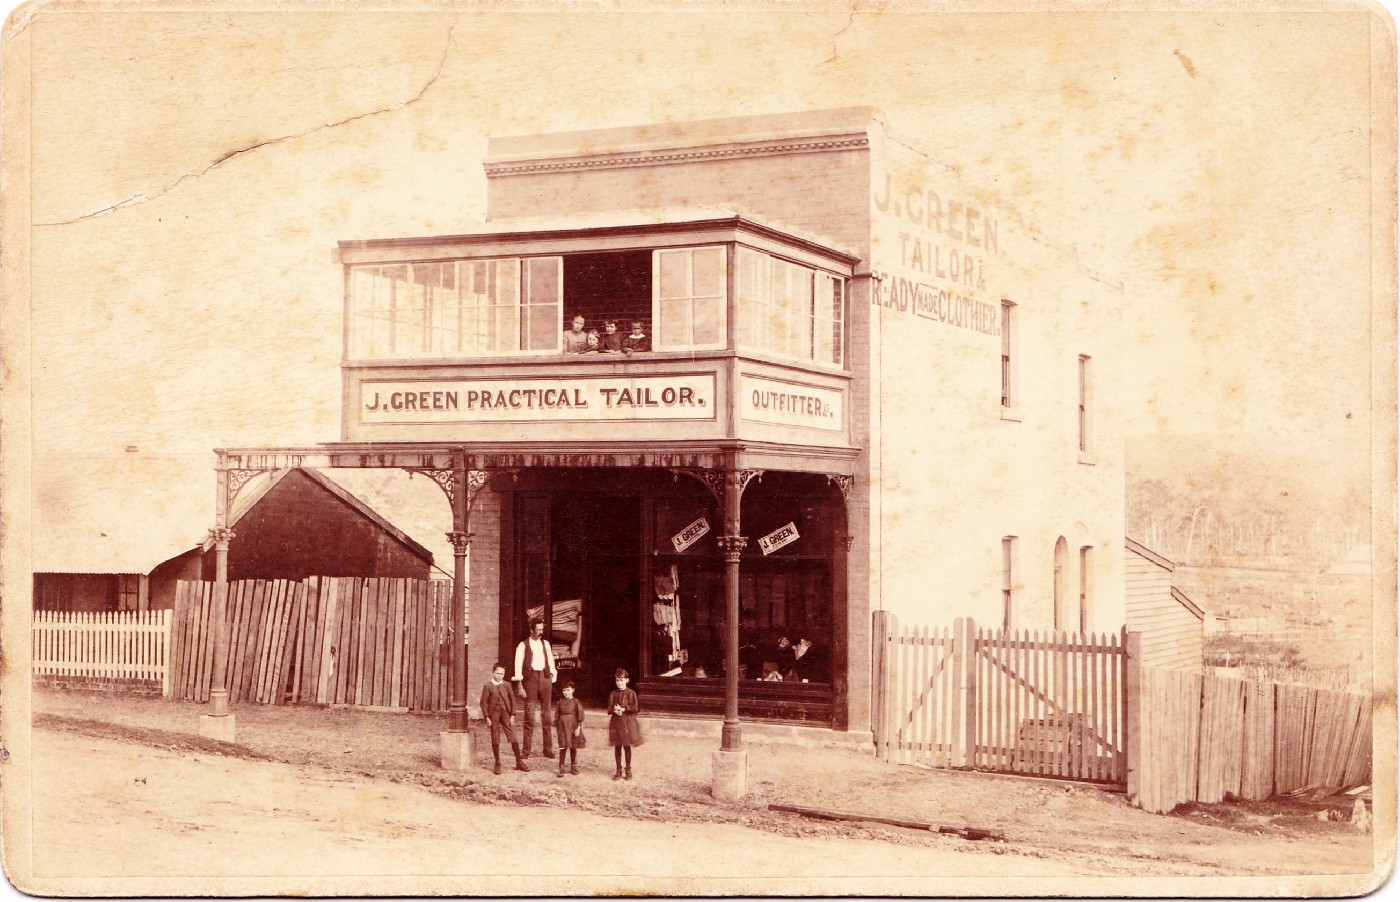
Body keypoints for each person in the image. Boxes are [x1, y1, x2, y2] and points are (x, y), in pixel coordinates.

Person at [512, 617, 558, 759]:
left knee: (547, 715)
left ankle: (547, 749)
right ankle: (526, 751)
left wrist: (551, 676)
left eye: (542, 629)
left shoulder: (546, 644)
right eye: (538, 630)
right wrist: (520, 685)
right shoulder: (523, 645)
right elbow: (518, 666)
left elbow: (550, 661)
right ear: (531, 630)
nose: (541, 632)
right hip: (530, 681)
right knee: (529, 715)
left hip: (545, 679)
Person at [479, 663, 529, 774]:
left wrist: (512, 715)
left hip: (506, 713)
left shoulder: (507, 685)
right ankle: (497, 763)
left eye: (502, 674)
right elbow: (483, 703)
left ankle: (519, 762)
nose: (499, 676)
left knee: (513, 736)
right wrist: (487, 717)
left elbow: (512, 699)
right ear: (493, 672)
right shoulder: (488, 686)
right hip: (494, 715)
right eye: (497, 673)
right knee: (495, 737)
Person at [607, 668, 643, 781]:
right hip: (616, 723)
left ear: (627, 680)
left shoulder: (631, 693)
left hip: (627, 723)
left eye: (622, 680)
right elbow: (609, 709)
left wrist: (623, 709)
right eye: (617, 680)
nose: (619, 683)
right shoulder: (613, 694)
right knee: (617, 746)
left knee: (627, 746)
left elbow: (635, 708)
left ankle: (628, 769)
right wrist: (615, 710)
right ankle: (618, 769)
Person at [554, 680, 586, 777]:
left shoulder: (576, 702)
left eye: (568, 690)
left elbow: (580, 715)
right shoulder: (560, 702)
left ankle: (573, 766)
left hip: (573, 726)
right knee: (563, 746)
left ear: (573, 690)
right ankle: (561, 767)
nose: (566, 693)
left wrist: (578, 728)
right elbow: (557, 716)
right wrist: (557, 729)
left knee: (573, 746)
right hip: (562, 726)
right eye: (564, 690)